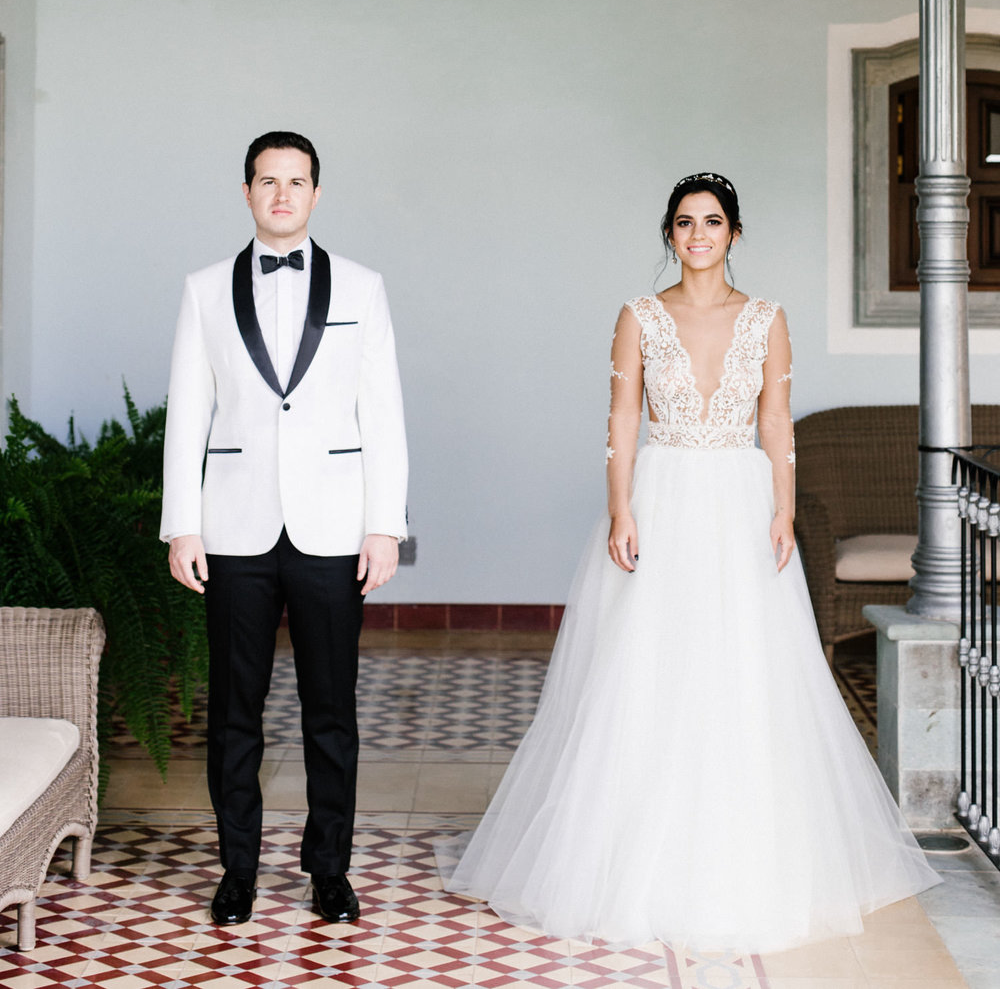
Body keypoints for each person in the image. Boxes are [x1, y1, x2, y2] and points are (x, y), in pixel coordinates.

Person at [437, 172, 938, 953]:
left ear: (735, 233)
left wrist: (783, 508)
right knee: (646, 668)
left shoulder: (766, 318)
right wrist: (621, 507)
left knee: (742, 666)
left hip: (738, 500)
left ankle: (744, 850)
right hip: (663, 495)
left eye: (711, 222)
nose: (697, 235)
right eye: (683, 223)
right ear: (669, 235)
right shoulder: (639, 316)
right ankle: (631, 849)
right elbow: (622, 416)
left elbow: (775, 420)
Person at [160, 131, 408, 928]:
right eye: (267, 181)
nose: (281, 195)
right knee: (234, 712)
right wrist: (182, 525)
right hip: (232, 527)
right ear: (246, 192)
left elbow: (385, 413)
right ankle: (237, 870)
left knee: (331, 710)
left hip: (335, 529)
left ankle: (328, 869)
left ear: (315, 193)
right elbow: (187, 412)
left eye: (296, 182)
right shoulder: (203, 290)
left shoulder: (364, 288)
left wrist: (385, 526)